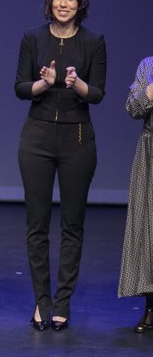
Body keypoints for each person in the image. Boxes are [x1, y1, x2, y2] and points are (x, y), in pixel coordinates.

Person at [15, 0, 106, 332]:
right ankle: (42, 301)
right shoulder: (33, 38)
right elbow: (21, 87)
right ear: (50, 1)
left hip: (77, 138)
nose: (63, 3)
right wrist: (44, 83)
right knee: (36, 224)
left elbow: (97, 92)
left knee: (72, 224)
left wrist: (76, 84)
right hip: (36, 136)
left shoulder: (94, 41)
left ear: (80, 4)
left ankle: (62, 302)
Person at [118, 56, 153, 333]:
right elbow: (132, 108)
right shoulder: (148, 65)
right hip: (151, 152)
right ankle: (151, 306)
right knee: (149, 232)